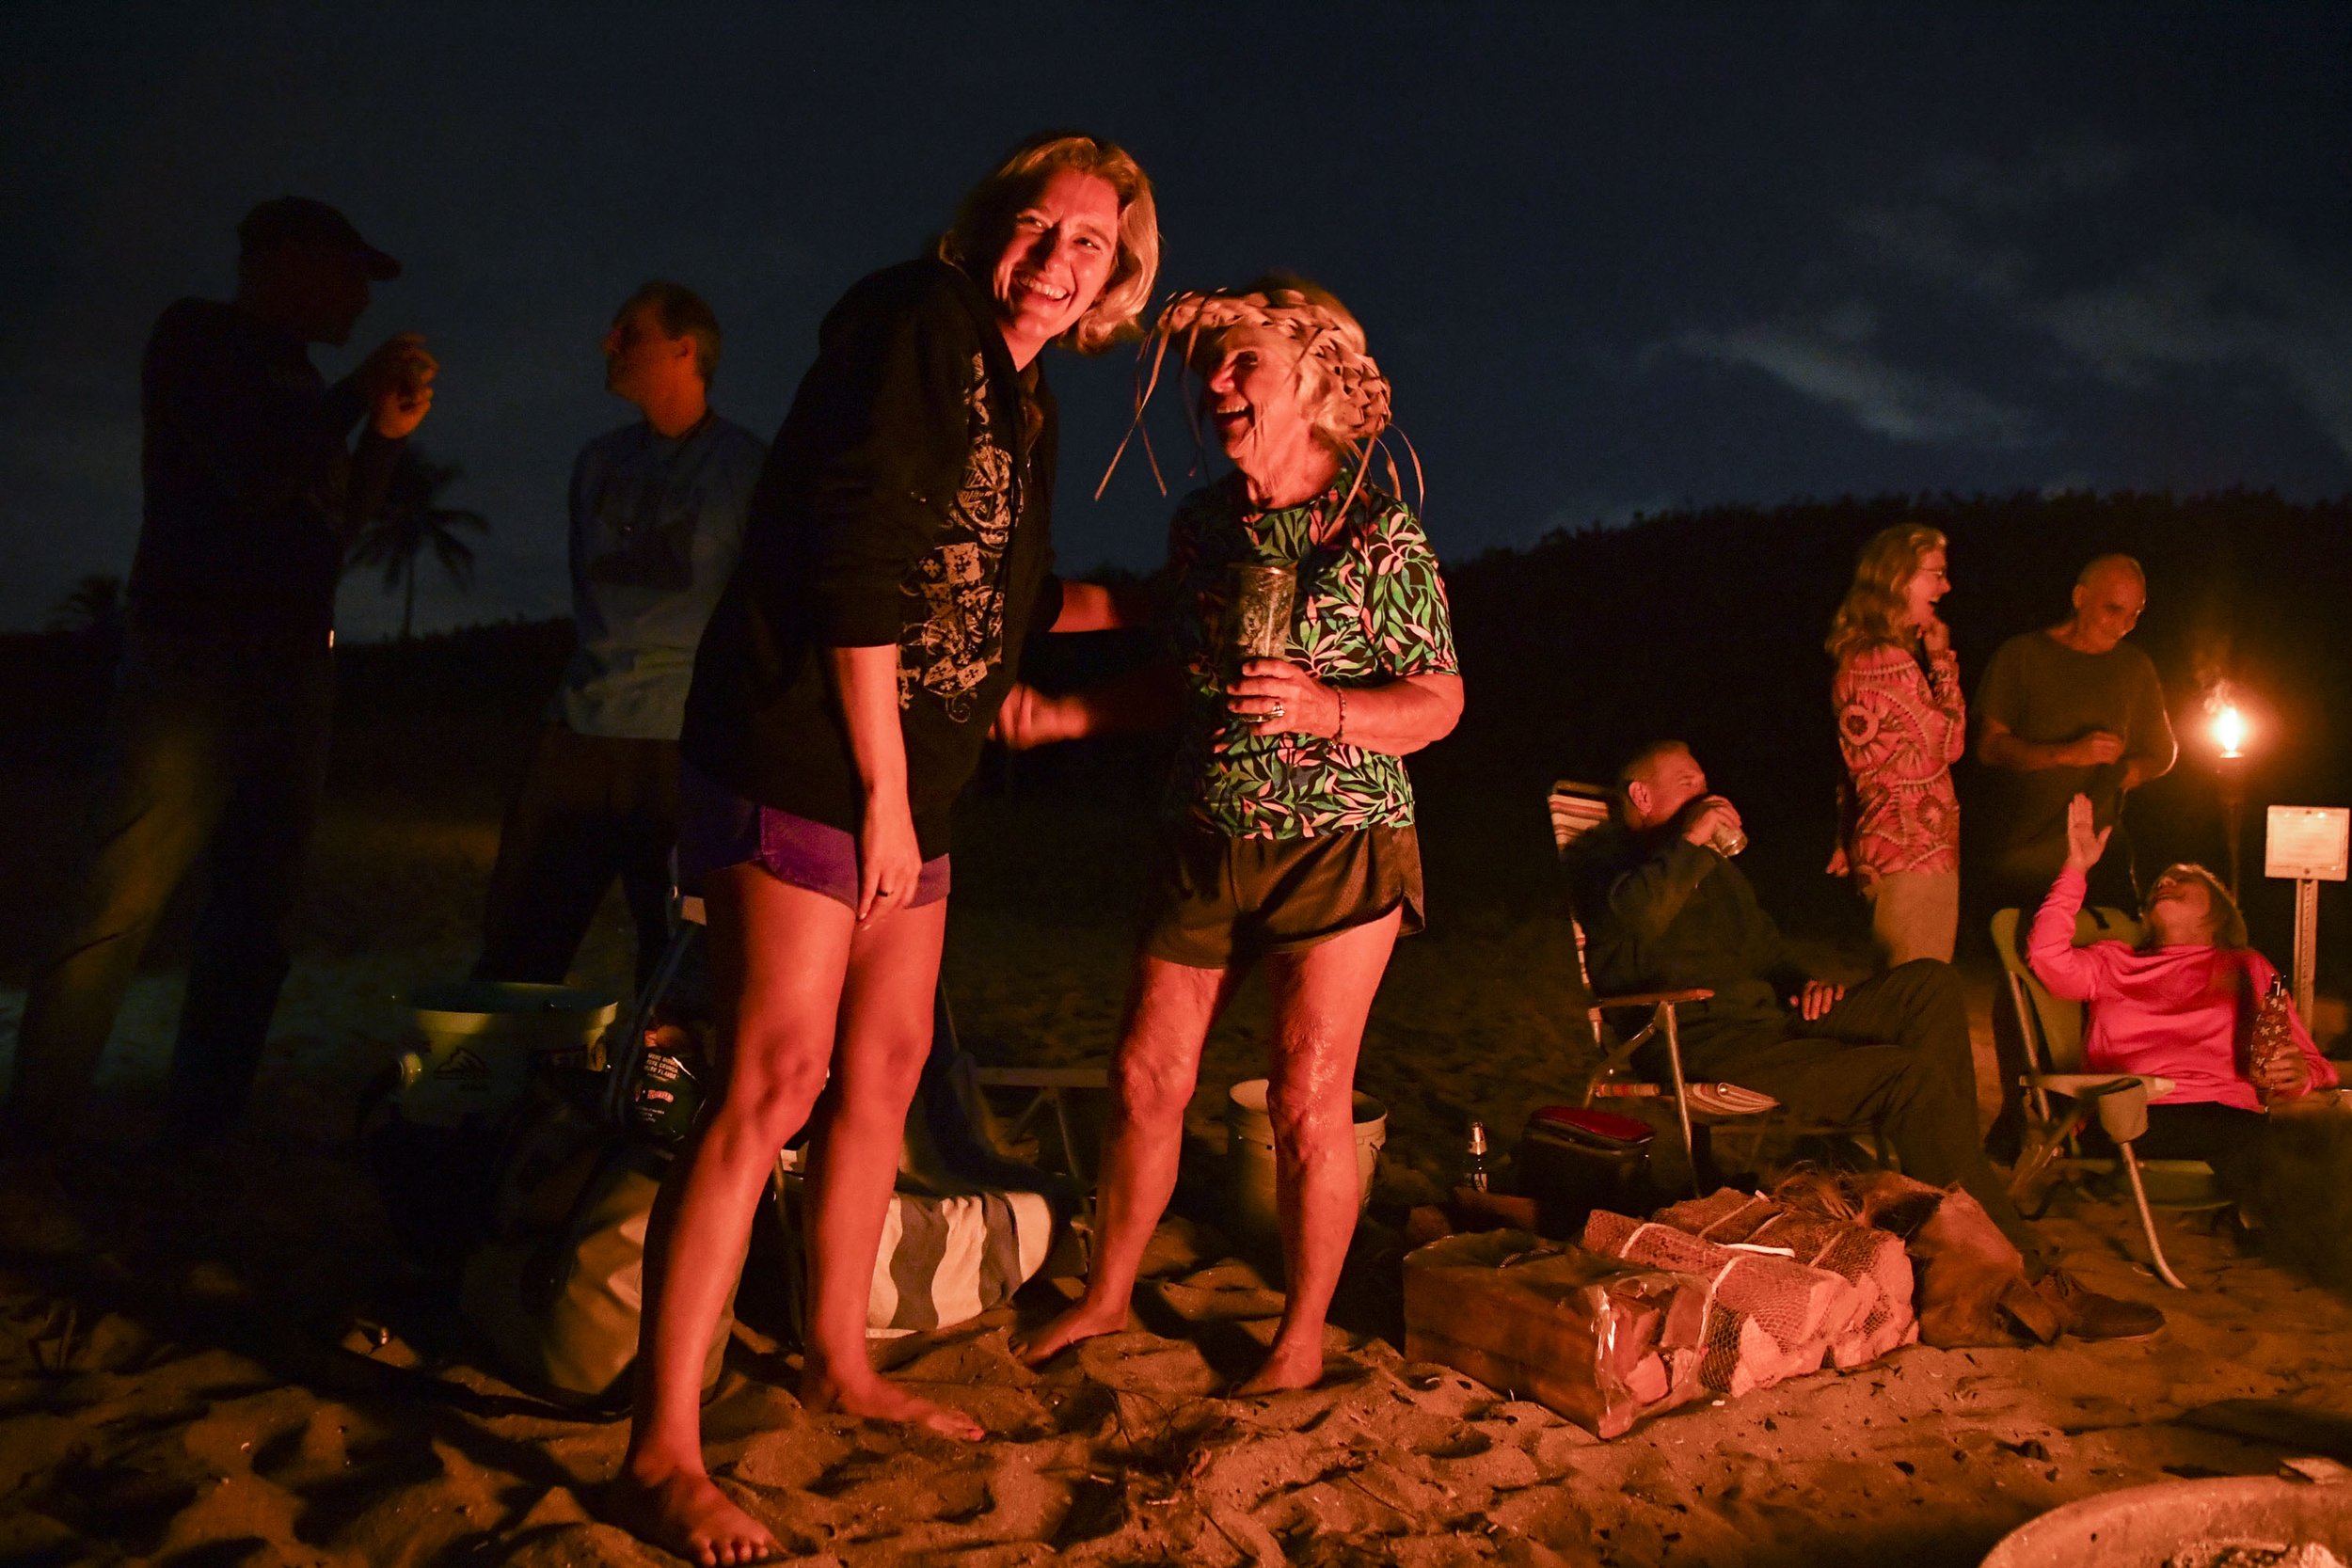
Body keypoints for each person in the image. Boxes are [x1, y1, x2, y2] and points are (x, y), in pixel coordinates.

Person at [608, 133, 1159, 1568]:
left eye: (1089, 241)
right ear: (991, 227)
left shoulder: (1019, 391)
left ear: (1119, 276)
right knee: (773, 1072)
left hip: (911, 774)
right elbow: (856, 565)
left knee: (889, 1063)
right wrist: (883, 788)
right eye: (1036, 223)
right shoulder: (917, 322)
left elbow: (999, 599)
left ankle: (836, 1357)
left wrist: (1182, 613)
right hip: (810, 749)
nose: (1056, 254)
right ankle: (662, 1448)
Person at [1004, 277, 1465, 1393]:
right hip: (1204, 826)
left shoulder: (1377, 527)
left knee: (1307, 1094)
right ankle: (1109, 1294)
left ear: (1310, 379)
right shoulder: (1204, 527)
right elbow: (1185, 678)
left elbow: (1442, 701)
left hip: (1340, 841)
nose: (1214, 384)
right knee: (1143, 1073)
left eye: (1240, 361)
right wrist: (1065, 714)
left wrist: (1330, 709)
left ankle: (1298, 1337)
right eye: (1206, 364)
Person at [6, 198, 435, 1143]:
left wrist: (384, 438)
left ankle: (202, 1122)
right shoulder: (199, 338)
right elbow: (255, 473)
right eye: (351, 271)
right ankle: (37, 1126)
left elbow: (332, 525)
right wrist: (352, 394)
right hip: (194, 660)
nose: (362, 296)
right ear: (289, 263)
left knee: (257, 913)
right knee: (120, 894)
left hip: (292, 667)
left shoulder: (302, 382)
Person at [1564, 739, 2165, 1341]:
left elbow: (1769, 953)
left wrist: (1806, 983)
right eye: (1688, 783)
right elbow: (1636, 919)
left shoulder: (1713, 871)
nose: (1706, 794)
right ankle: (2022, 1269)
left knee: (1929, 984)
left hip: (1774, 1023)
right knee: (1909, 1080)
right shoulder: (1606, 861)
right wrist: (1691, 841)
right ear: (1641, 796)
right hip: (1701, 1039)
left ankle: (1957, 1189)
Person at [471, 282, 763, 992]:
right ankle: (501, 1091)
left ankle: (653, 1094)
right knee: (519, 943)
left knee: (677, 962)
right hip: (580, 730)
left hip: (684, 742)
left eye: (629, 331)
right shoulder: (598, 463)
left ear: (684, 348)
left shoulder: (745, 468)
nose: (609, 342)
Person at [2029, 793, 2336, 1240]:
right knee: (2271, 1147)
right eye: (2160, 881)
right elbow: (2045, 956)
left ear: (2217, 909)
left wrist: (2297, 1075)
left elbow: (2312, 1063)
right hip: (2131, 1118)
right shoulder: (2113, 962)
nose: (2166, 881)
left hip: (2225, 1116)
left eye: (2184, 879)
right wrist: (2076, 870)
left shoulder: (2244, 965)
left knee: (2283, 1137)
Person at [1975, 553, 2176, 911]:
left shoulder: (2135, 668)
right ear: (2080, 598)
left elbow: (2163, 752)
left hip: (2100, 854)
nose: (2125, 626)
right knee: (2024, 959)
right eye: (2113, 610)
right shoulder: (2022, 656)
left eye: (2136, 614)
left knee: (2115, 955)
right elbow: (1989, 747)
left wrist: (2129, 772)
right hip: (2023, 854)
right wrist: (2069, 754)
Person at [1826, 524, 1963, 966]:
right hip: (1913, 852)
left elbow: (1858, 768)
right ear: (1898, 578)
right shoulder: (1888, 661)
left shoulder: (1856, 658)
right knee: (1916, 994)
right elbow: (1949, 743)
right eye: (1935, 574)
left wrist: (1845, 835)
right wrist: (1942, 663)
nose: (1945, 585)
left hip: (1887, 846)